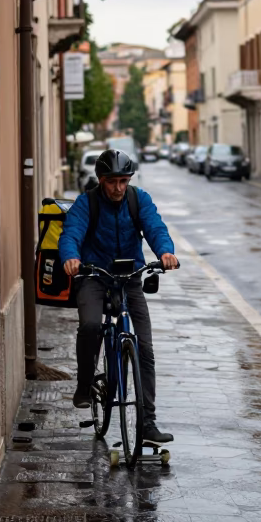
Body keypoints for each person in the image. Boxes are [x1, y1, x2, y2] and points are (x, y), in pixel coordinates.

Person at [58, 148, 179, 445]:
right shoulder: (87, 203)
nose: (118, 188)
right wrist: (71, 257)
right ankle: (85, 385)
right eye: (112, 181)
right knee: (89, 325)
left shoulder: (139, 200)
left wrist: (165, 251)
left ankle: (147, 423)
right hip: (94, 276)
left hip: (129, 279)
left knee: (146, 348)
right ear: (101, 180)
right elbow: (71, 233)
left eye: (123, 181)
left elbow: (155, 227)